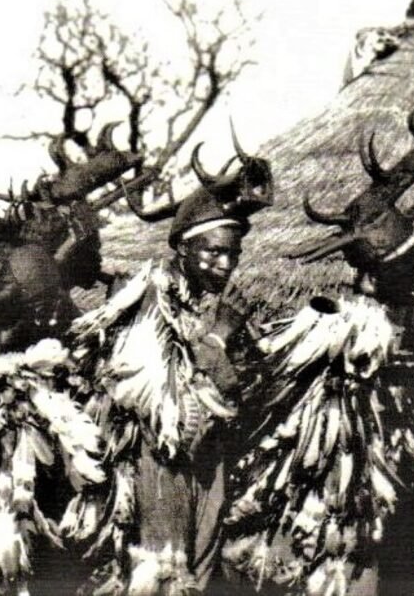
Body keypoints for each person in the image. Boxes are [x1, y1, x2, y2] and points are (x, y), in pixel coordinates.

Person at [64, 140, 273, 594]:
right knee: (162, 574)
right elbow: (157, 403)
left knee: (198, 573)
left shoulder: (212, 306)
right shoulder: (146, 299)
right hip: (159, 467)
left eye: (233, 254)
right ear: (183, 249)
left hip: (207, 466)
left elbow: (240, 394)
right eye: (213, 252)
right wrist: (217, 340)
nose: (225, 265)